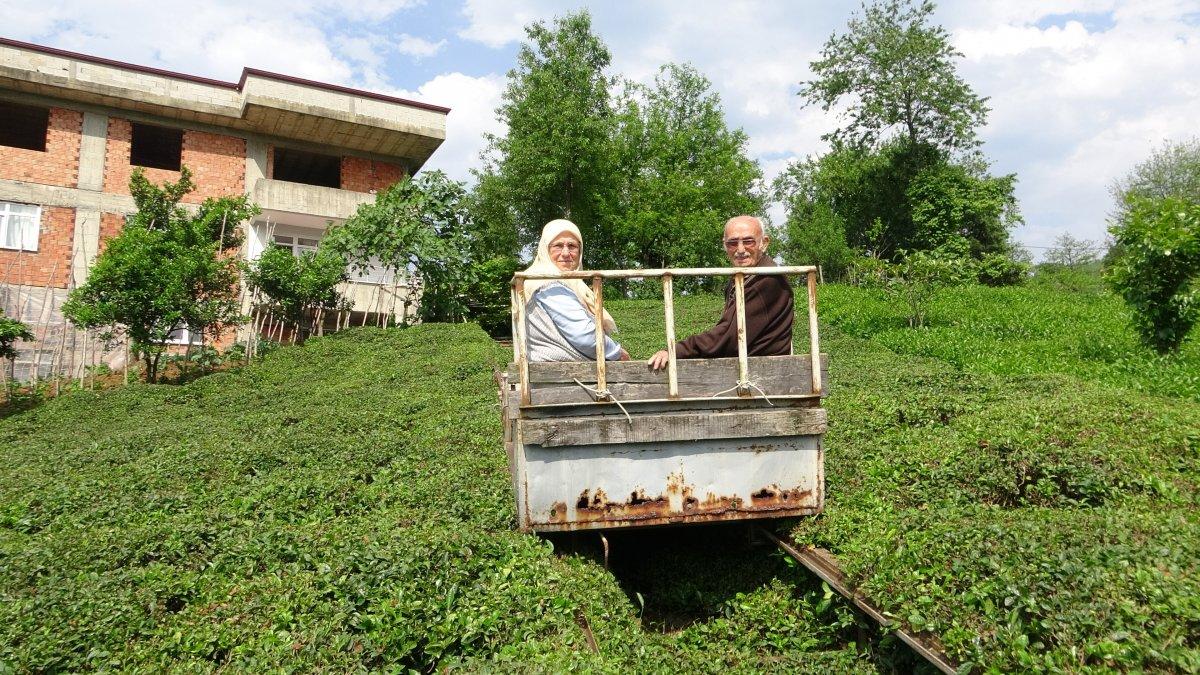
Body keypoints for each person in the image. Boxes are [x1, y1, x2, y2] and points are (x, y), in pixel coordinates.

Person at [648, 215, 792, 370]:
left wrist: (677, 350)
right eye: (732, 243)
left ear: (764, 243)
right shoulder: (743, 277)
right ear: (725, 245)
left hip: (764, 373)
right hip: (752, 368)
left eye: (748, 241)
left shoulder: (767, 279)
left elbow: (729, 336)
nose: (741, 250)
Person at [521, 219, 630, 362]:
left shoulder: (573, 284)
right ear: (545, 249)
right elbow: (586, 338)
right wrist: (618, 353)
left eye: (572, 246)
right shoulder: (547, 282)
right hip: (562, 379)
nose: (566, 253)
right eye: (558, 246)